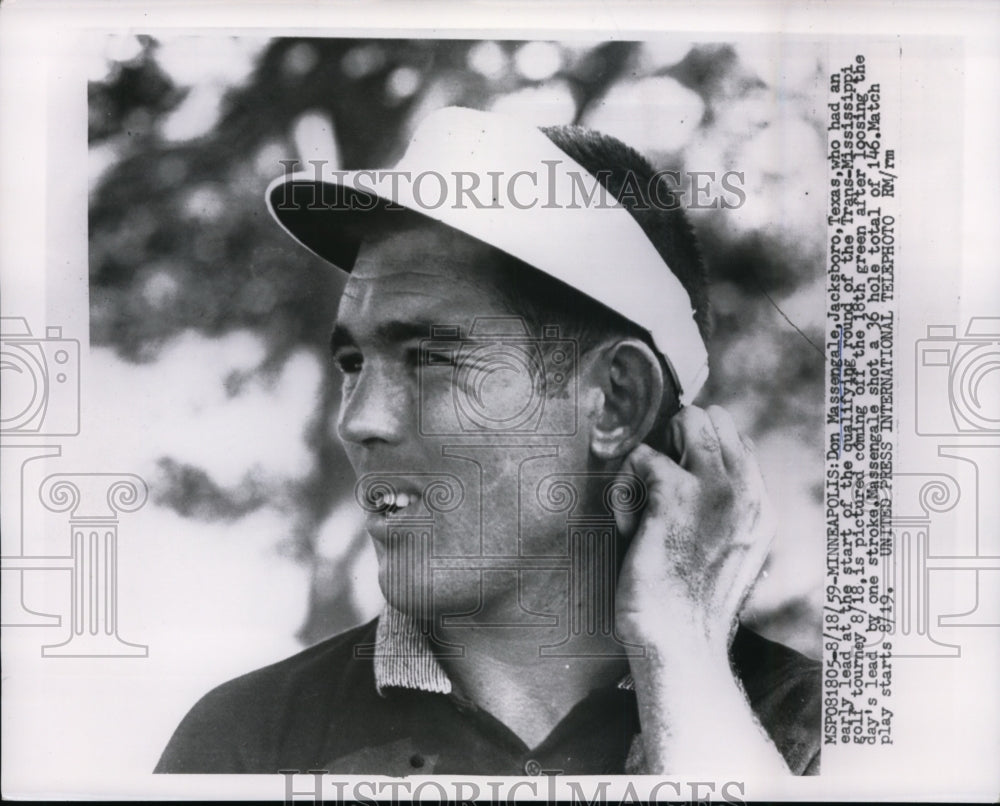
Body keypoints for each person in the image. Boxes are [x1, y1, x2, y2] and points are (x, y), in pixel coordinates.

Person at [155, 106, 820, 775]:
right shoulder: (246, 742)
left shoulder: (812, 735)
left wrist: (679, 652)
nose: (357, 421)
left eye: (430, 359)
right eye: (353, 363)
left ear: (616, 400)